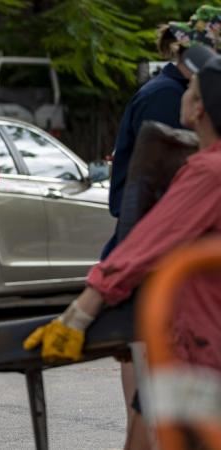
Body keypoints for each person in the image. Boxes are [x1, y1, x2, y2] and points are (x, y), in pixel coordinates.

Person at [24, 49, 221, 450]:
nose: (182, 93)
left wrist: (78, 315)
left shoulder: (208, 171)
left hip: (200, 348)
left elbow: (144, 245)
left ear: (199, 107)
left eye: (191, 88)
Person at [98, 5, 220, 440]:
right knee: (150, 398)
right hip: (156, 259)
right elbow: (147, 211)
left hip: (172, 269)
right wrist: (92, 300)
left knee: (156, 400)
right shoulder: (167, 97)